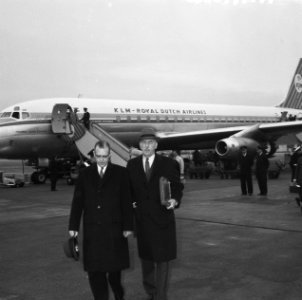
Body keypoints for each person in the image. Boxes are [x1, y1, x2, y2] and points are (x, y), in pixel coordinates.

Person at [68, 140, 133, 300]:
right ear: (94, 156)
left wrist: (128, 226)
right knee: (95, 271)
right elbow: (78, 202)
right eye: (99, 156)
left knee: (114, 272)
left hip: (114, 229)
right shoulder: (85, 174)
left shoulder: (120, 173)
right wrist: (73, 226)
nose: (102, 159)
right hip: (93, 229)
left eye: (105, 156)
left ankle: (118, 293)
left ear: (109, 155)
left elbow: (126, 202)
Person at [127, 128, 184, 300]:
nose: (147, 146)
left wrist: (175, 200)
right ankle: (151, 291)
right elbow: (128, 190)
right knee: (146, 260)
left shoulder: (167, 163)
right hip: (142, 220)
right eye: (143, 143)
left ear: (156, 145)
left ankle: (160, 296)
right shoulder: (132, 165)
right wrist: (132, 204)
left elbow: (177, 187)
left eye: (150, 143)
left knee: (163, 260)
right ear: (139, 145)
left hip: (162, 219)